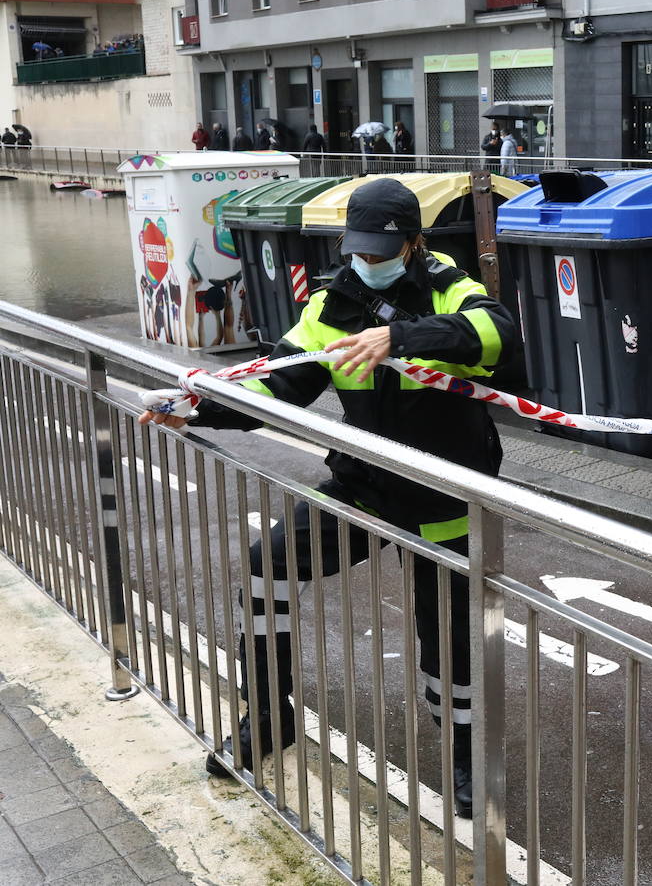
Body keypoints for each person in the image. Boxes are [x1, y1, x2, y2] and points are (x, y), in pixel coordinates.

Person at [138, 178, 520, 818]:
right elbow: (277, 385)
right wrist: (193, 409)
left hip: (444, 500)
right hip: (365, 485)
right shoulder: (331, 304)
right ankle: (267, 716)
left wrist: (400, 339)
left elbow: (500, 335)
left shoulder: (450, 287)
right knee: (268, 569)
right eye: (358, 251)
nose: (367, 263)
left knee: (449, 638)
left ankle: (467, 752)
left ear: (413, 243)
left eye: (381, 251)